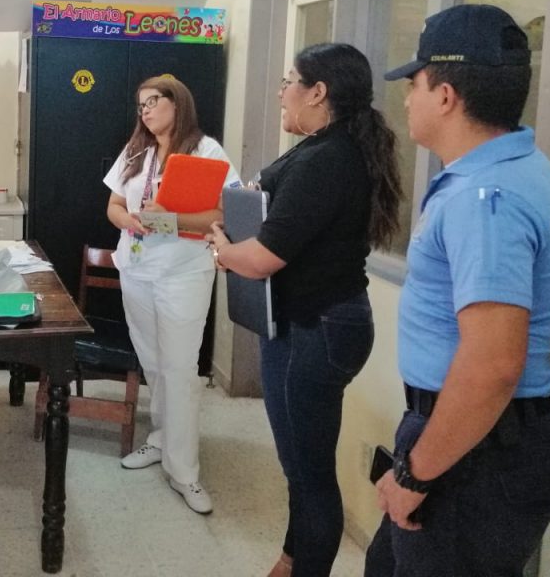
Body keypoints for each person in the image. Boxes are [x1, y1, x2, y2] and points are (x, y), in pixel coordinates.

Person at [364, 4, 550, 577]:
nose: (407, 99)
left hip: (475, 451)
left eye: (414, 84)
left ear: (446, 96)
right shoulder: (517, 165)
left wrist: (416, 475)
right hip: (471, 437)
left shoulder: (486, 199)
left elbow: (493, 365)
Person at [206, 43, 403, 577]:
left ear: (318, 92)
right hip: (303, 323)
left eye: (289, 81)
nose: (281, 92)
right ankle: (291, 560)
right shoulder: (321, 149)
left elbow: (263, 257)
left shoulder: (328, 160)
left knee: (310, 475)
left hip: (321, 328)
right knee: (299, 467)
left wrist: (224, 250)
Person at [104, 76, 239, 515]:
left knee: (179, 369)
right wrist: (129, 220)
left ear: (177, 103)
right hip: (137, 268)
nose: (144, 111)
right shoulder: (136, 151)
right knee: (153, 363)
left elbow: (223, 213)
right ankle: (162, 439)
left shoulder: (206, 152)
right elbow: (113, 206)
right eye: (140, 105)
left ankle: (184, 472)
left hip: (183, 271)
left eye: (153, 102)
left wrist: (172, 215)